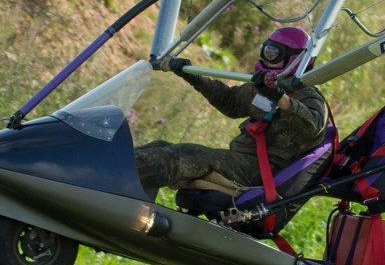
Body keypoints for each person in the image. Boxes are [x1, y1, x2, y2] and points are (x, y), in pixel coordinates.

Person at [135, 26, 330, 196]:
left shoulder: (309, 97)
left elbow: (312, 128)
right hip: (241, 161)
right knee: (159, 146)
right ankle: (116, 182)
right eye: (265, 51)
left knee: (184, 154)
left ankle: (112, 174)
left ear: (295, 59)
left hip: (260, 171)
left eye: (272, 53)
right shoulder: (263, 87)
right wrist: (195, 77)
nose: (265, 58)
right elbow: (230, 102)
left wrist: (280, 97)